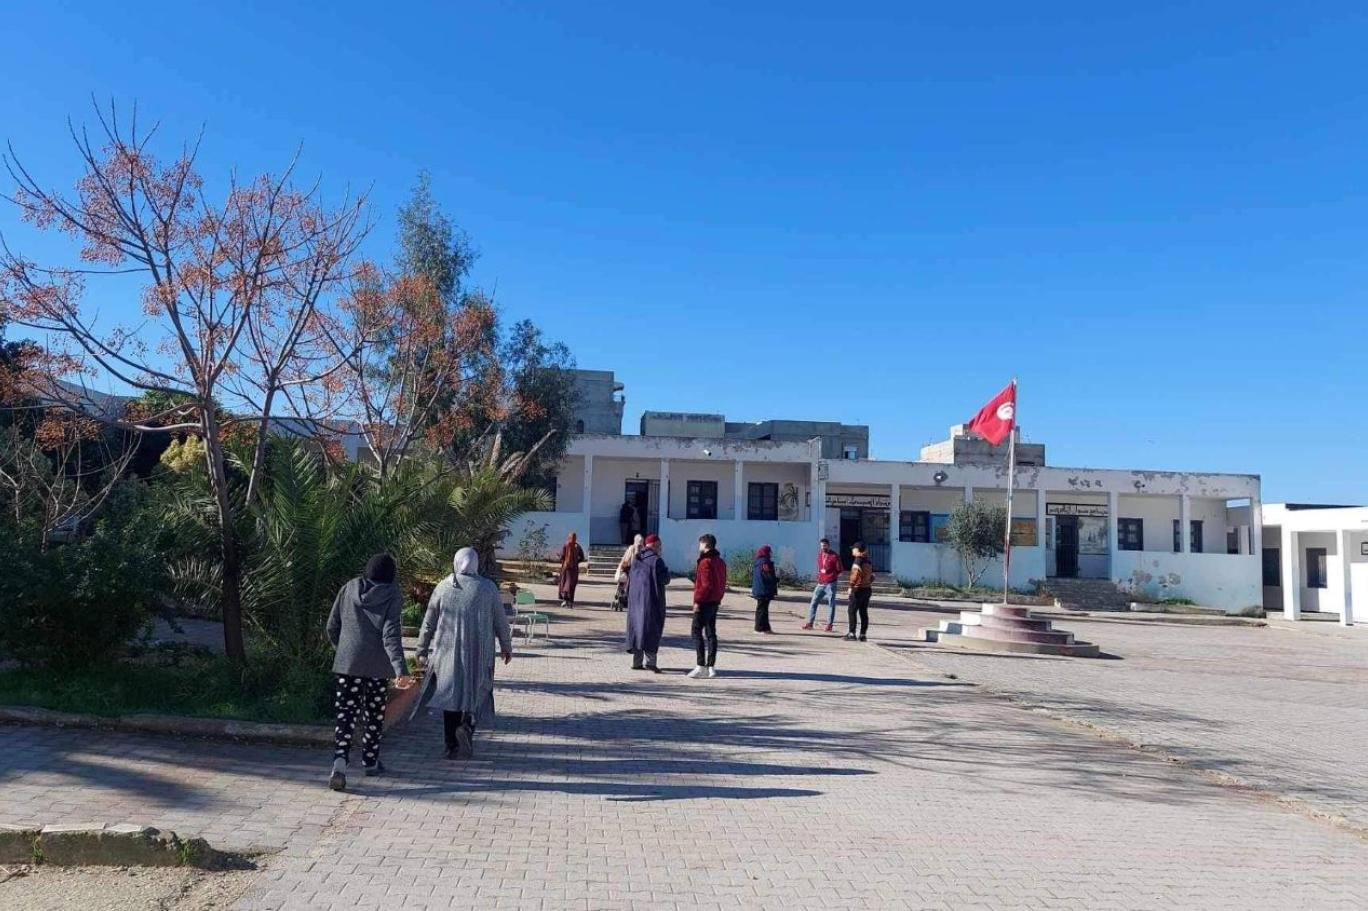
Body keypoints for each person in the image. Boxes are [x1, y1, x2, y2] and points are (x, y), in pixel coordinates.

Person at [413, 547, 513, 760]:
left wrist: (421, 649)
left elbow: (429, 622)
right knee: (478, 691)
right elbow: (500, 621)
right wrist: (506, 646)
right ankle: (468, 725)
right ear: (475, 563)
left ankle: (451, 745)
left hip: (447, 653)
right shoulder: (488, 588)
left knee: (450, 695)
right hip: (480, 652)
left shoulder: (443, 587)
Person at [325, 553, 413, 791]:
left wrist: (344, 650)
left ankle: (339, 763)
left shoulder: (349, 588)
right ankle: (370, 761)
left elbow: (332, 625)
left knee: (345, 714)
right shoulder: (392, 594)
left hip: (348, 664)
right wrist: (400, 669)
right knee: (373, 715)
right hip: (377, 667)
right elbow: (390, 634)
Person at [625, 533, 670, 672]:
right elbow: (665, 580)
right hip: (652, 601)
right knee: (651, 630)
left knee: (637, 630)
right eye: (659, 546)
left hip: (635, 601)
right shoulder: (657, 561)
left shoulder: (637, 559)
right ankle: (650, 662)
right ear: (655, 545)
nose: (660, 549)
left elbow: (629, 581)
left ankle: (636, 662)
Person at [688, 533, 727, 679]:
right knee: (711, 633)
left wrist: (697, 601)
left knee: (696, 631)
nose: (699, 546)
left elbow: (706, 585)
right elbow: (722, 582)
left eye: (700, 544)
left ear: (705, 545)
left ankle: (700, 665)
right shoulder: (720, 562)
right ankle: (711, 667)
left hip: (704, 602)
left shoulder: (705, 562)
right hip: (715, 601)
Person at [802, 538, 843, 632]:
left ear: (828, 545)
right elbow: (820, 567)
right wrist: (819, 575)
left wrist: (832, 576)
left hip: (830, 584)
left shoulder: (834, 556)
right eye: (821, 546)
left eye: (824, 545)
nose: (823, 547)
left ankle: (829, 625)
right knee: (813, 602)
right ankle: (810, 623)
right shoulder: (820, 555)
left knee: (831, 604)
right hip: (820, 583)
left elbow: (840, 569)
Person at [845, 541, 874, 641]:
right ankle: (863, 635)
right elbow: (872, 576)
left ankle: (852, 633)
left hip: (858, 589)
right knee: (863, 612)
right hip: (867, 589)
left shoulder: (858, 560)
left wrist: (851, 586)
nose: (852, 550)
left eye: (853, 549)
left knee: (851, 610)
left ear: (857, 550)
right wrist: (867, 582)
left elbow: (855, 575)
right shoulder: (868, 560)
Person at [612, 533, 644, 611]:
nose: (640, 545)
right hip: (629, 570)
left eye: (641, 543)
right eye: (639, 543)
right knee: (625, 584)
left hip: (638, 572)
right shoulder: (631, 548)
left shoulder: (643, 550)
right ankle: (623, 598)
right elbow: (626, 560)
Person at [751, 544, 778, 633]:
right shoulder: (765, 562)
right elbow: (767, 575)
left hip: (760, 589)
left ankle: (766, 628)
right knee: (762, 610)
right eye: (770, 551)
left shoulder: (758, 561)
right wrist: (775, 580)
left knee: (763, 609)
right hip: (764, 589)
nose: (771, 553)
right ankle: (759, 628)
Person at [557, 532, 586, 608]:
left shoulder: (566, 545)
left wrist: (560, 557)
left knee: (565, 584)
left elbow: (562, 556)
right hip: (573, 569)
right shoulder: (577, 546)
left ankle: (566, 601)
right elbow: (582, 557)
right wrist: (576, 561)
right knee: (571, 585)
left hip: (566, 568)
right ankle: (570, 602)